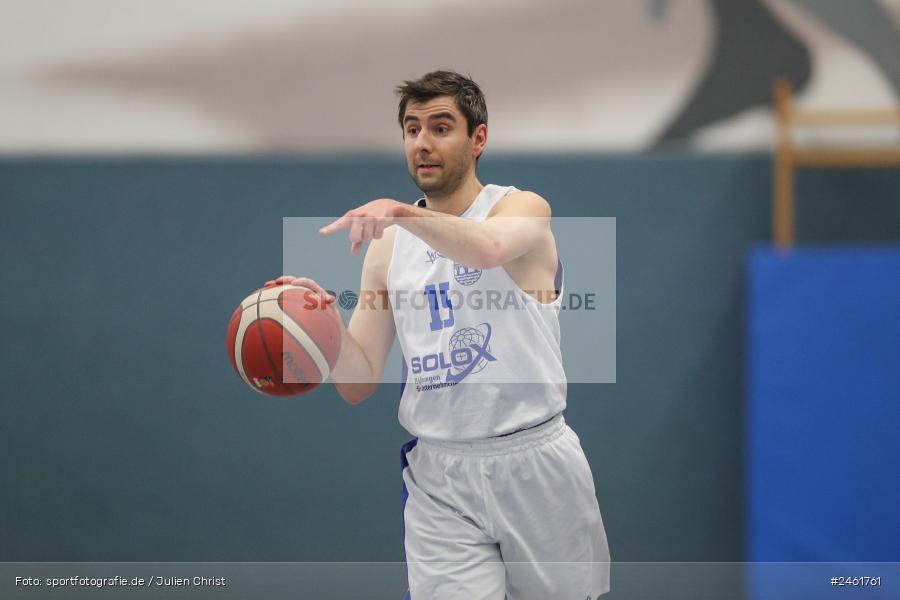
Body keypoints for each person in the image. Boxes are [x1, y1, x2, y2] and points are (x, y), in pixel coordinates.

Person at [269, 70, 610, 599]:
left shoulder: (521, 208)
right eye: (411, 129)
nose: (422, 142)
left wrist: (400, 212)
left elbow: (487, 249)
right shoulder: (388, 248)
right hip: (441, 477)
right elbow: (357, 383)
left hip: (535, 462)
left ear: (478, 139)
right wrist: (323, 329)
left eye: (440, 127)